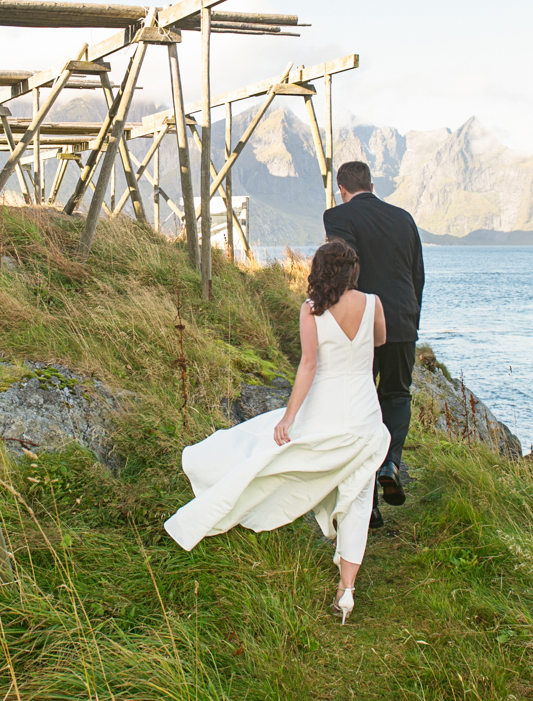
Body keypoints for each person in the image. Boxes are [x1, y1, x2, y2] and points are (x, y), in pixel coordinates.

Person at [164, 241, 388, 623]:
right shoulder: (374, 303)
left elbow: (308, 366)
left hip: (325, 412)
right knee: (358, 495)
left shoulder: (312, 311)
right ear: (352, 271)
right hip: (365, 417)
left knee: (269, 454)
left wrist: (288, 417)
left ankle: (225, 494)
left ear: (320, 272)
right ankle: (346, 591)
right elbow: (380, 340)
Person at [321, 161, 424, 516]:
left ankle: (368, 503)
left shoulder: (337, 217)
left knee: (359, 405)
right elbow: (417, 276)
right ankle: (390, 464)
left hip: (362, 322)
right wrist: (410, 321)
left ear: (342, 189)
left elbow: (343, 271)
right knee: (396, 395)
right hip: (401, 320)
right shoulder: (404, 218)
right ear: (372, 184)